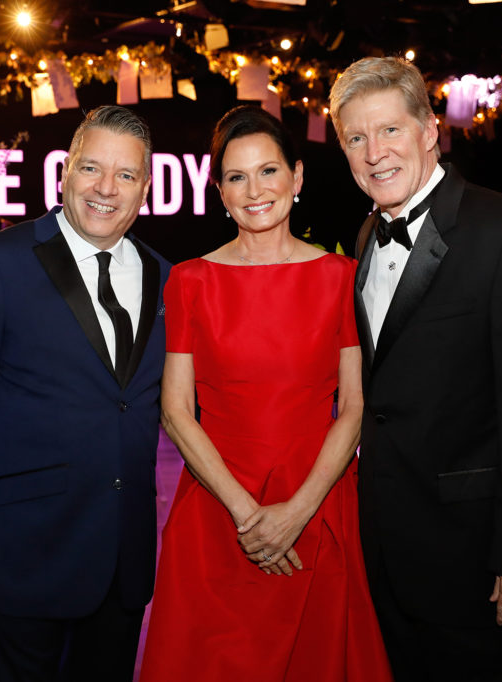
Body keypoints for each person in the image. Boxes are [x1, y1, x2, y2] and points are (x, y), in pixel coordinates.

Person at [329, 57, 502, 681]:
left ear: (429, 129)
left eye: (389, 130)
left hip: (478, 563)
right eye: (356, 138)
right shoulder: (364, 236)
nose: (374, 153)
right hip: (385, 550)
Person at [138, 105, 393, 681]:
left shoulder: (339, 277)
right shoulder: (191, 280)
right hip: (217, 512)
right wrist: (249, 515)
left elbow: (352, 408)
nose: (255, 191)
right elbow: (176, 412)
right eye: (236, 177)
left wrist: (296, 513)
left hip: (317, 504)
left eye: (268, 171)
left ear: (297, 178)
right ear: (220, 193)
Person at [0, 105, 170, 681]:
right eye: (92, 168)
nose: (106, 188)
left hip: (122, 565)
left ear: (146, 188)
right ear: (64, 172)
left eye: (126, 175)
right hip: (24, 562)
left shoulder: (166, 276)